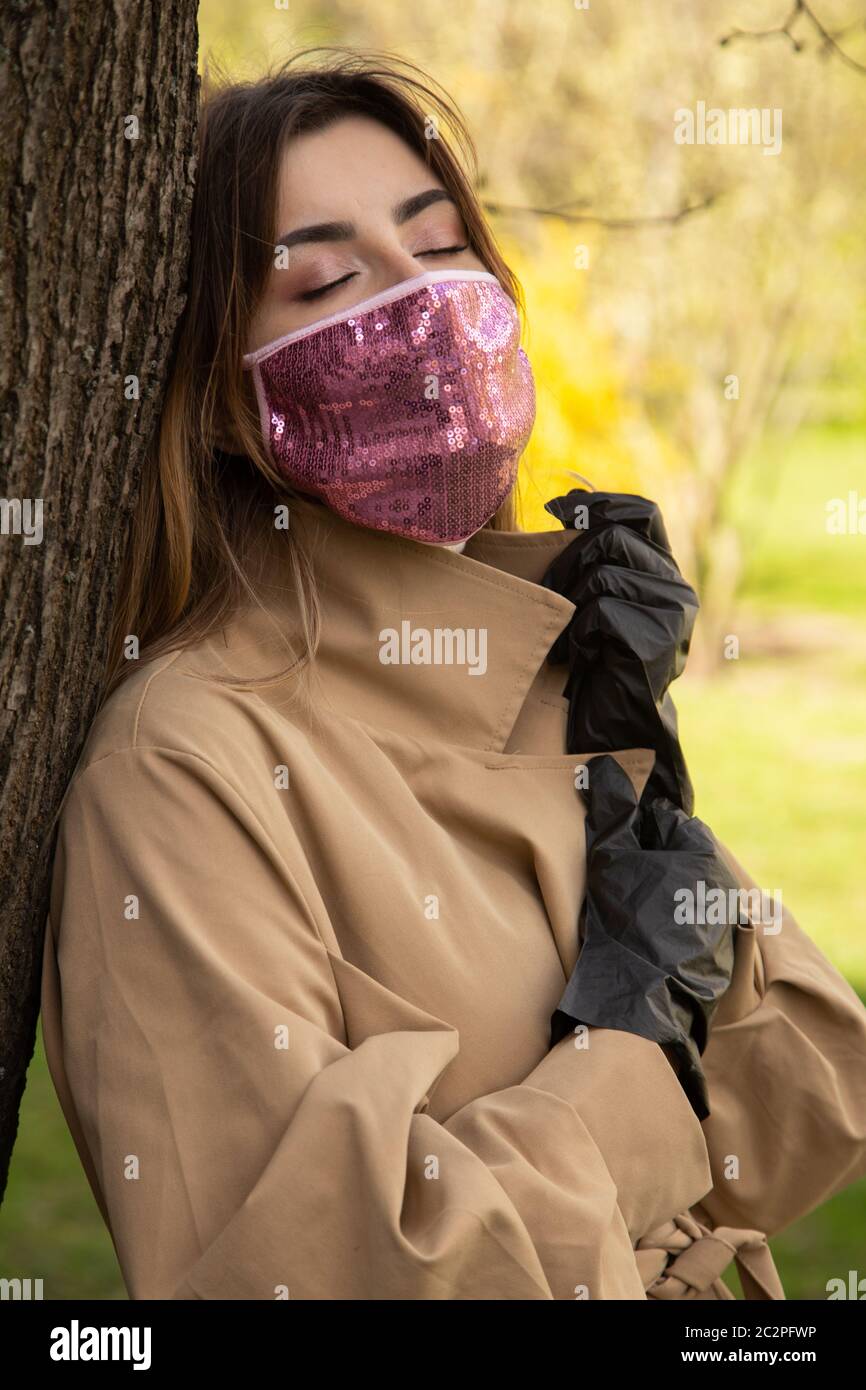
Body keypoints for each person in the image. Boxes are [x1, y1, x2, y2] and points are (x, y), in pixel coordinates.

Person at [41, 49, 866, 1301]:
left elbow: (805, 1115)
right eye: (328, 277)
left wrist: (653, 808)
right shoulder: (182, 766)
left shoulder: (534, 663)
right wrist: (624, 1060)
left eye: (437, 246)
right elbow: (301, 1276)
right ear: (216, 394)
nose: (422, 307)